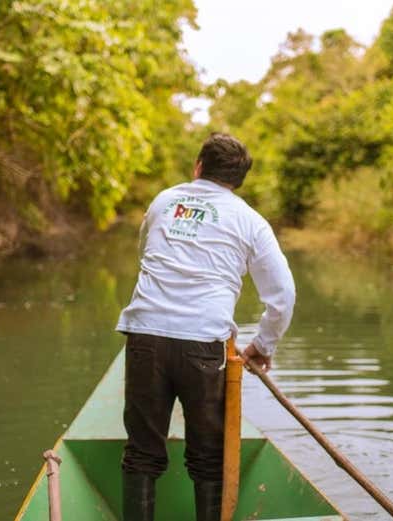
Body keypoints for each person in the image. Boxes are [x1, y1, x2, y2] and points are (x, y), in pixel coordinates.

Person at [115, 132, 296, 521]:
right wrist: (262, 345)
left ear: (198, 166)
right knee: (209, 459)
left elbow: (145, 251)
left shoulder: (164, 201)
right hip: (202, 345)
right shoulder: (250, 221)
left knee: (142, 454)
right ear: (238, 181)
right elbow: (283, 296)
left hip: (145, 335)